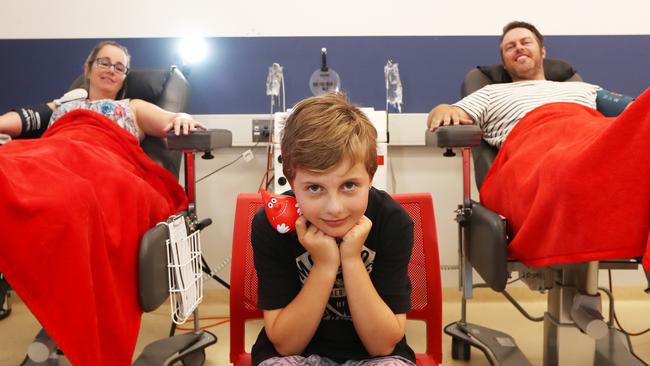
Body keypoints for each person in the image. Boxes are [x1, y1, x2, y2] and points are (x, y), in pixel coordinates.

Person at [251, 93, 416, 366]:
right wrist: (325, 265)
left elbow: (383, 345)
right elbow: (285, 344)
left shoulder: (392, 221)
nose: (335, 208)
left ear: (370, 177)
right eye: (315, 188)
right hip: (295, 354)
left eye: (349, 185)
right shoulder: (273, 225)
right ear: (292, 181)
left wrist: (351, 259)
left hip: (371, 355)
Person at [426, 20, 633, 148]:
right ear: (504, 63)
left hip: (591, 138)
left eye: (525, 42)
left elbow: (636, 109)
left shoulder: (584, 89)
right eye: (510, 47)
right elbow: (448, 112)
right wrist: (442, 110)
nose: (519, 48)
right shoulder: (490, 93)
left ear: (542, 52)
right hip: (538, 148)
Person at [0, 40, 204, 140]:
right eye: (104, 63)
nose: (111, 70)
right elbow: (28, 117)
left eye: (119, 67)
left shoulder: (132, 106)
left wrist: (182, 117)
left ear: (124, 77)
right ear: (87, 69)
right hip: (51, 155)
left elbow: (171, 119)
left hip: (99, 165)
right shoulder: (65, 103)